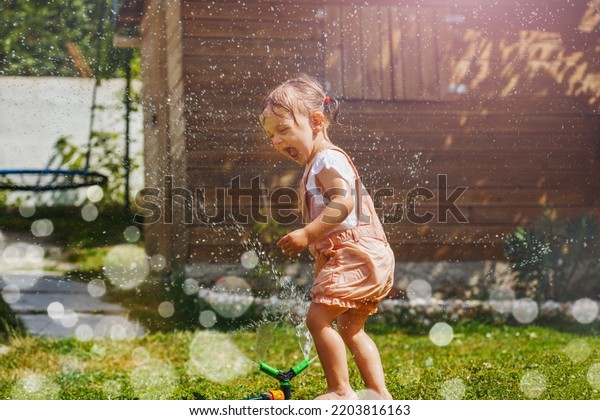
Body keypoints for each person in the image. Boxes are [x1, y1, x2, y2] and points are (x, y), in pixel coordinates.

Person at [259, 74, 395, 400]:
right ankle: (377, 393)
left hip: (356, 253)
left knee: (318, 320)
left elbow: (344, 201)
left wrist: (307, 233)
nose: (277, 140)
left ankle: (340, 391)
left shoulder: (327, 159)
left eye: (283, 129)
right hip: (363, 255)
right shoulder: (318, 163)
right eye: (271, 135)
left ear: (316, 121)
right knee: (351, 328)